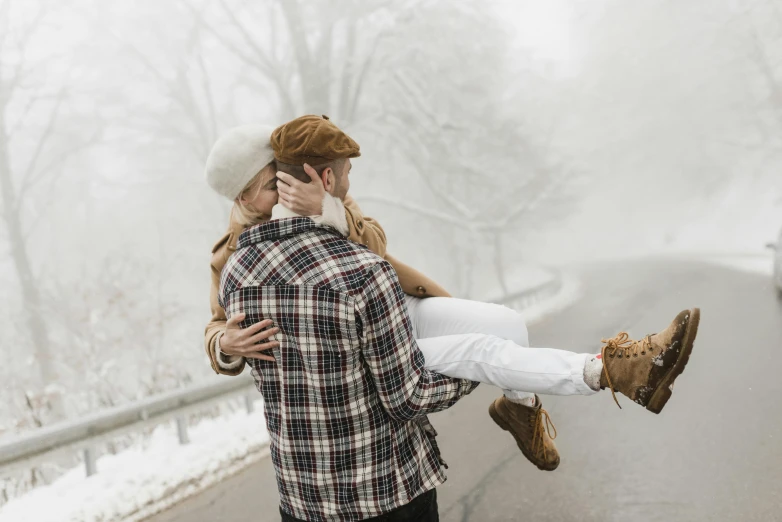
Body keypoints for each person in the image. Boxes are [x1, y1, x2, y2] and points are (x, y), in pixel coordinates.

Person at [204, 118, 701, 480]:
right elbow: (216, 324)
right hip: (358, 338)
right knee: (483, 354)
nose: (287, 186)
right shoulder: (237, 257)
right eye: (274, 184)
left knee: (506, 324)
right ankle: (616, 370)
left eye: (285, 173)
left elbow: (375, 243)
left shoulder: (320, 192)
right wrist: (225, 343)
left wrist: (330, 209)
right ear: (246, 199)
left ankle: (519, 411)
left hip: (392, 304)